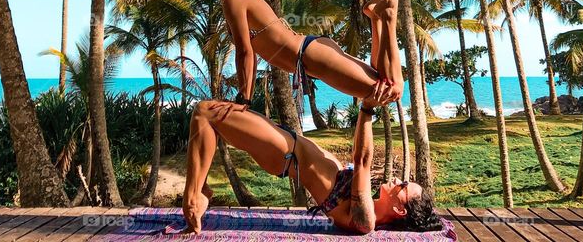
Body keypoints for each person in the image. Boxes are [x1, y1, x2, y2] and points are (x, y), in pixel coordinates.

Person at [176, 98, 446, 235]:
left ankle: (193, 197)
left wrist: (367, 107)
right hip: (288, 142)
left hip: (283, 151)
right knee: (212, 120)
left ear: (400, 208)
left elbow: (362, 160)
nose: (398, 179)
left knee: (205, 112)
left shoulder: (365, 219)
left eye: (402, 185)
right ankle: (201, 189)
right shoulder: (366, 204)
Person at [194, 0, 404, 111]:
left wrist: (244, 101)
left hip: (311, 56)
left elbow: (244, 52)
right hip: (311, 53)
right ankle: (375, 17)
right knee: (381, 78)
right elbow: (248, 51)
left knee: (392, 90)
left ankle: (386, 16)